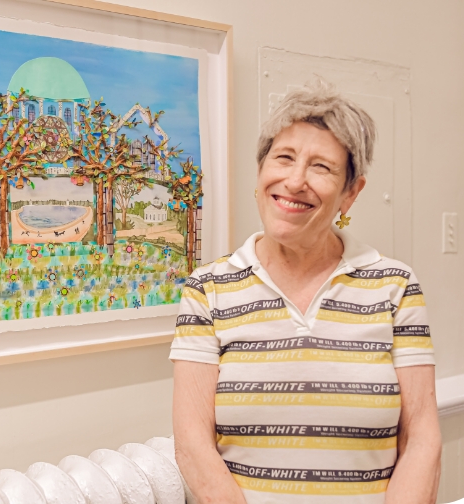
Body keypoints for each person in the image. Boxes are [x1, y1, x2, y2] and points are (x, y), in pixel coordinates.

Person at [170, 80, 440, 504]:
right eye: (284, 158)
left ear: (351, 193)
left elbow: (422, 438)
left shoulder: (396, 287)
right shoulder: (207, 290)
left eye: (322, 167)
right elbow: (191, 443)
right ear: (260, 175)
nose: (295, 181)